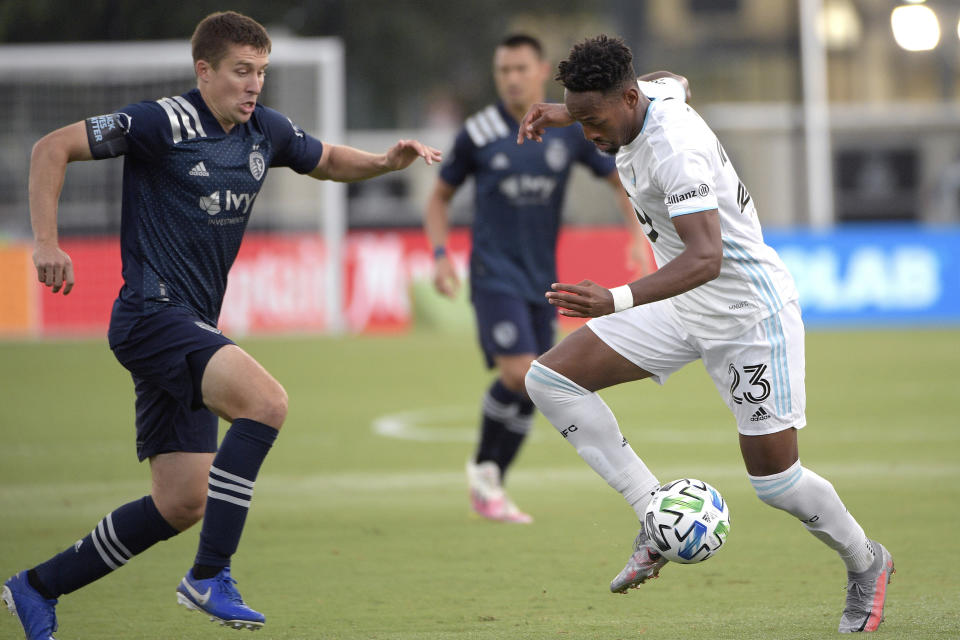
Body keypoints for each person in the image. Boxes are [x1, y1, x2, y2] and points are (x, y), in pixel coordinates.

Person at [1, 11, 442, 639]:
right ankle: (209, 575)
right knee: (266, 404)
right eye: (241, 71)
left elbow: (328, 160)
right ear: (203, 71)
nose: (254, 84)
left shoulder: (266, 129)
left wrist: (386, 162)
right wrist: (47, 241)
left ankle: (36, 588)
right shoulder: (161, 121)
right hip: (152, 315)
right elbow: (53, 147)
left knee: (182, 500)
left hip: (187, 324)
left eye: (261, 71)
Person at [517, 35, 893, 633]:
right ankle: (654, 516)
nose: (588, 131)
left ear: (627, 98)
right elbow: (674, 80)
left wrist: (612, 299)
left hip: (747, 314)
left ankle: (866, 561)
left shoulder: (676, 151)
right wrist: (568, 111)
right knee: (551, 380)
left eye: (593, 118)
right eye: (580, 117)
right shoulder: (645, 97)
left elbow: (707, 256)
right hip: (683, 304)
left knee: (777, 483)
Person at [424, 34, 672, 523]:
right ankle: (485, 470)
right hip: (494, 274)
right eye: (503, 70)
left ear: (540, 71)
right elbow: (439, 197)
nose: (512, 78)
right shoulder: (477, 133)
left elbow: (618, 178)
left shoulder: (569, 130)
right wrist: (439, 254)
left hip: (543, 277)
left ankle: (490, 477)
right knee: (520, 374)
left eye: (520, 68)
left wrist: (635, 234)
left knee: (539, 380)